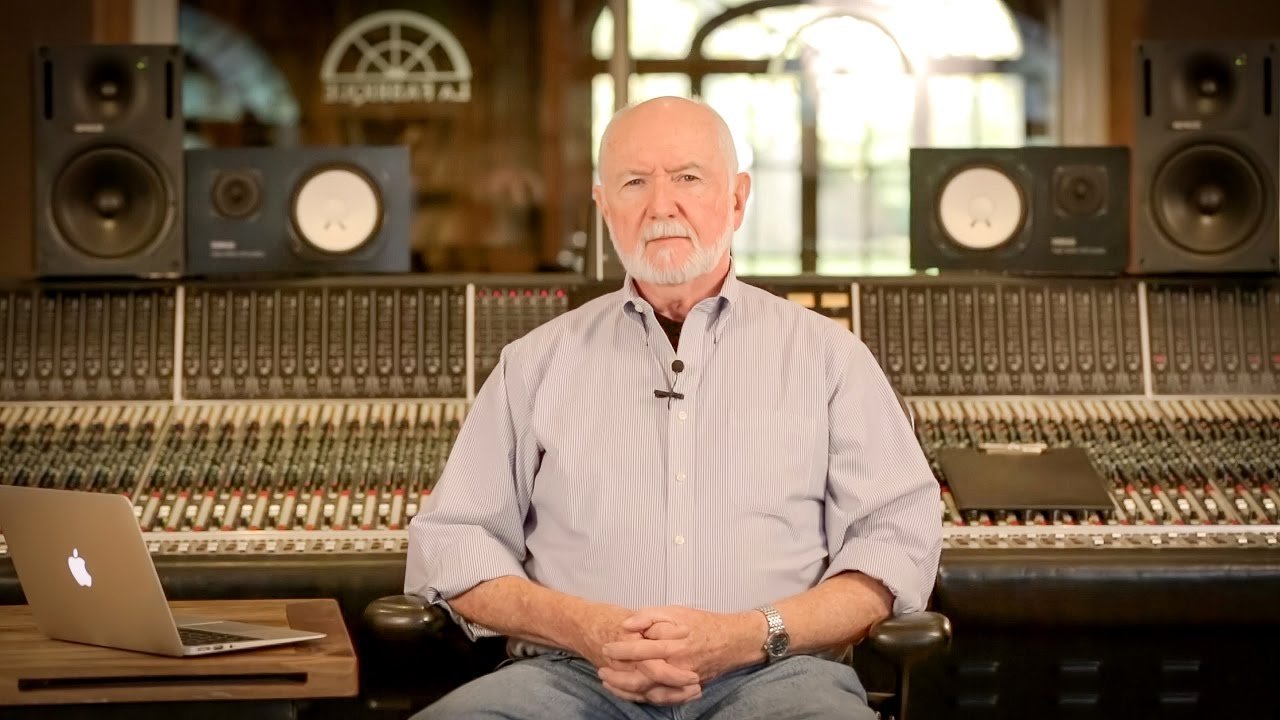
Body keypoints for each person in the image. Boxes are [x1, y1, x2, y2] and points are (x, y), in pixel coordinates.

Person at [405, 96, 941, 719]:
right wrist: (588, 629)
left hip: (777, 676)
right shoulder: (534, 363)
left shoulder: (828, 358)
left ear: (737, 199)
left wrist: (745, 634)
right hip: (571, 677)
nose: (661, 206)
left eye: (687, 177)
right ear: (605, 207)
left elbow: (892, 543)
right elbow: (453, 540)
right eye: (634, 182)